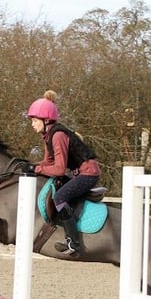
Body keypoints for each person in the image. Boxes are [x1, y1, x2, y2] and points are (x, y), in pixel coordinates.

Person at [24, 90, 101, 256]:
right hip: (80, 173)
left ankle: (74, 243)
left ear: (45, 120)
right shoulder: (48, 136)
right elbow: (47, 163)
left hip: (89, 173)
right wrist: (29, 166)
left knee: (59, 197)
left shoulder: (58, 135)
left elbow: (58, 169)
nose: (32, 124)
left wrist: (36, 169)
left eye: (34, 120)